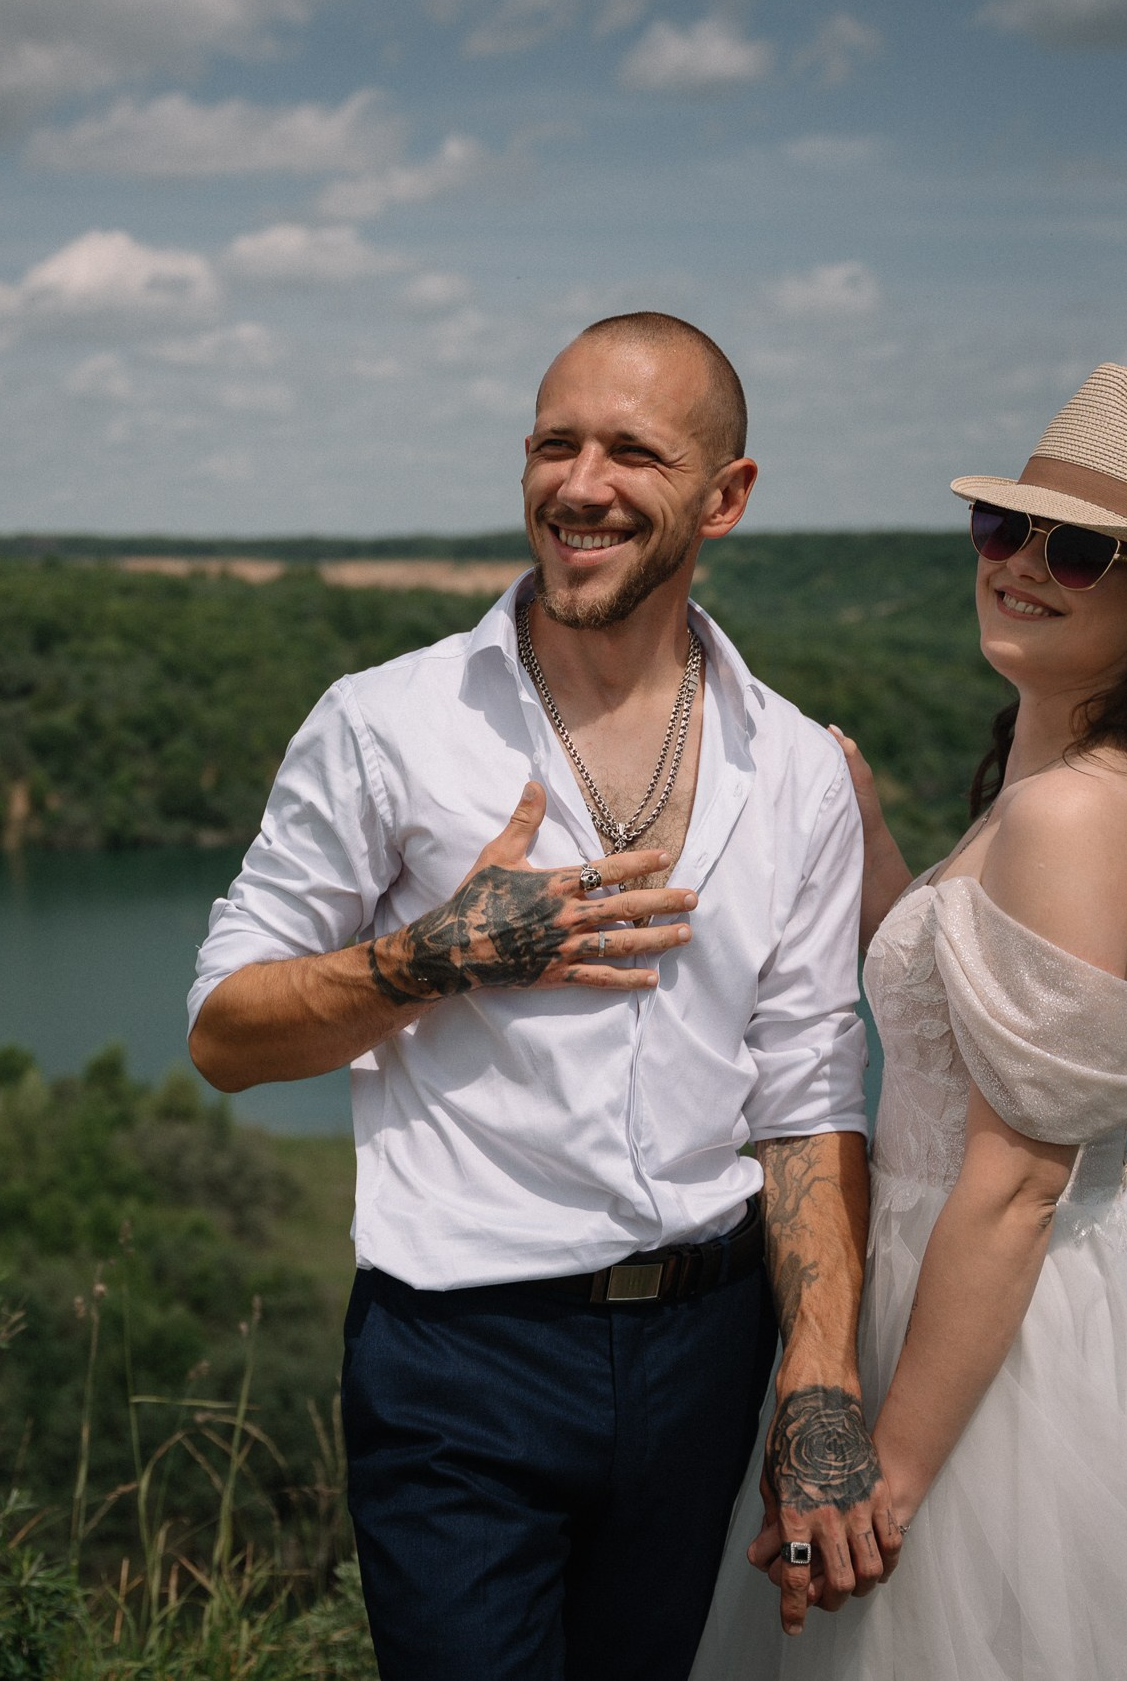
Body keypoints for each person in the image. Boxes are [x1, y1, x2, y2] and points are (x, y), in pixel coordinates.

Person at [187, 312, 887, 1680]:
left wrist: (820, 1379)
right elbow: (224, 1036)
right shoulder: (387, 724)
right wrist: (435, 956)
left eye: (634, 451)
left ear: (727, 497)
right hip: (461, 1358)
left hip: (707, 1352)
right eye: (554, 445)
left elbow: (808, 1094)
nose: (583, 485)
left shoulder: (797, 768)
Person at [692, 363, 1127, 1678]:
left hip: (989, 1344)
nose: (1021, 563)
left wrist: (884, 1481)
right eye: (1003, 526)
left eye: (1076, 549)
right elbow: (961, 1016)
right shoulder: (1053, 774)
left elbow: (1017, 1183)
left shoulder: (1074, 810)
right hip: (966, 1294)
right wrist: (856, 820)